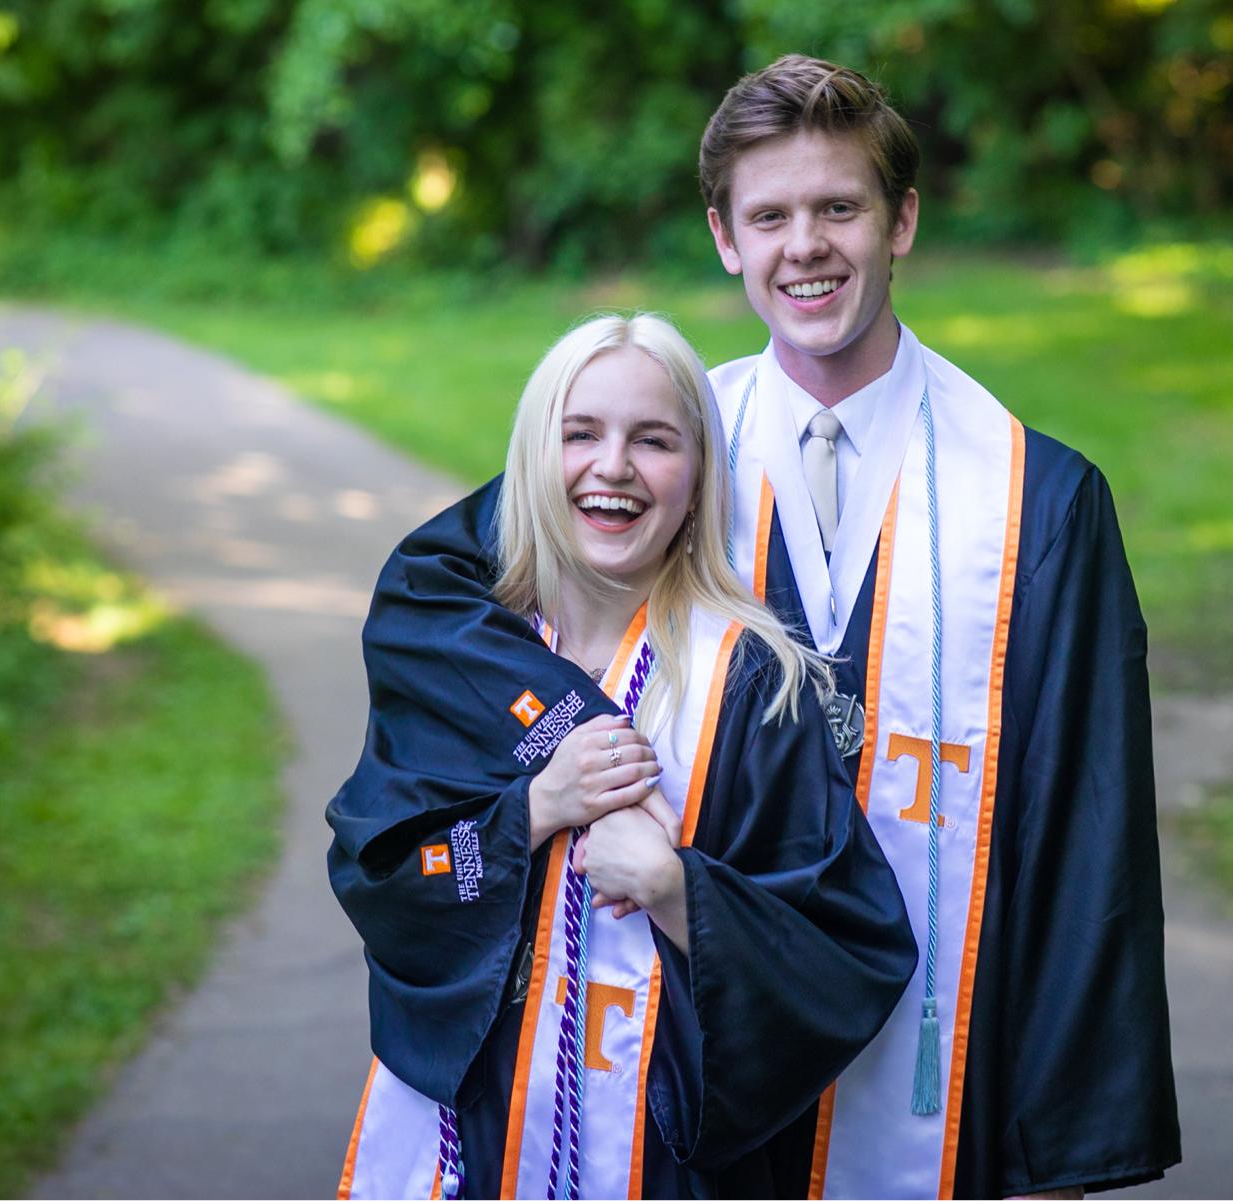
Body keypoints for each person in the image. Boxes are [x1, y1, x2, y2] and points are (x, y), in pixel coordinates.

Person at [336, 56, 1181, 1199]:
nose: (807, 247)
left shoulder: (1038, 503)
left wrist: (1062, 1155)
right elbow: (440, 593)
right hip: (683, 1079)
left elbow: (1085, 843)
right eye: (770, 215)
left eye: (840, 207)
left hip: (946, 1067)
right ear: (726, 238)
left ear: (903, 221)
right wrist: (571, 758)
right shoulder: (666, 441)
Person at [327, 314, 917, 1199]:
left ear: (698, 478)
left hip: (663, 1157)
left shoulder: (756, 687)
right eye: (581, 434)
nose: (613, 467)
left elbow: (847, 954)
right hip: (465, 1145)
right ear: (534, 460)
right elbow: (379, 880)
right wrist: (529, 813)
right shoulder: (468, 675)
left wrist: (683, 893)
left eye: (654, 440)